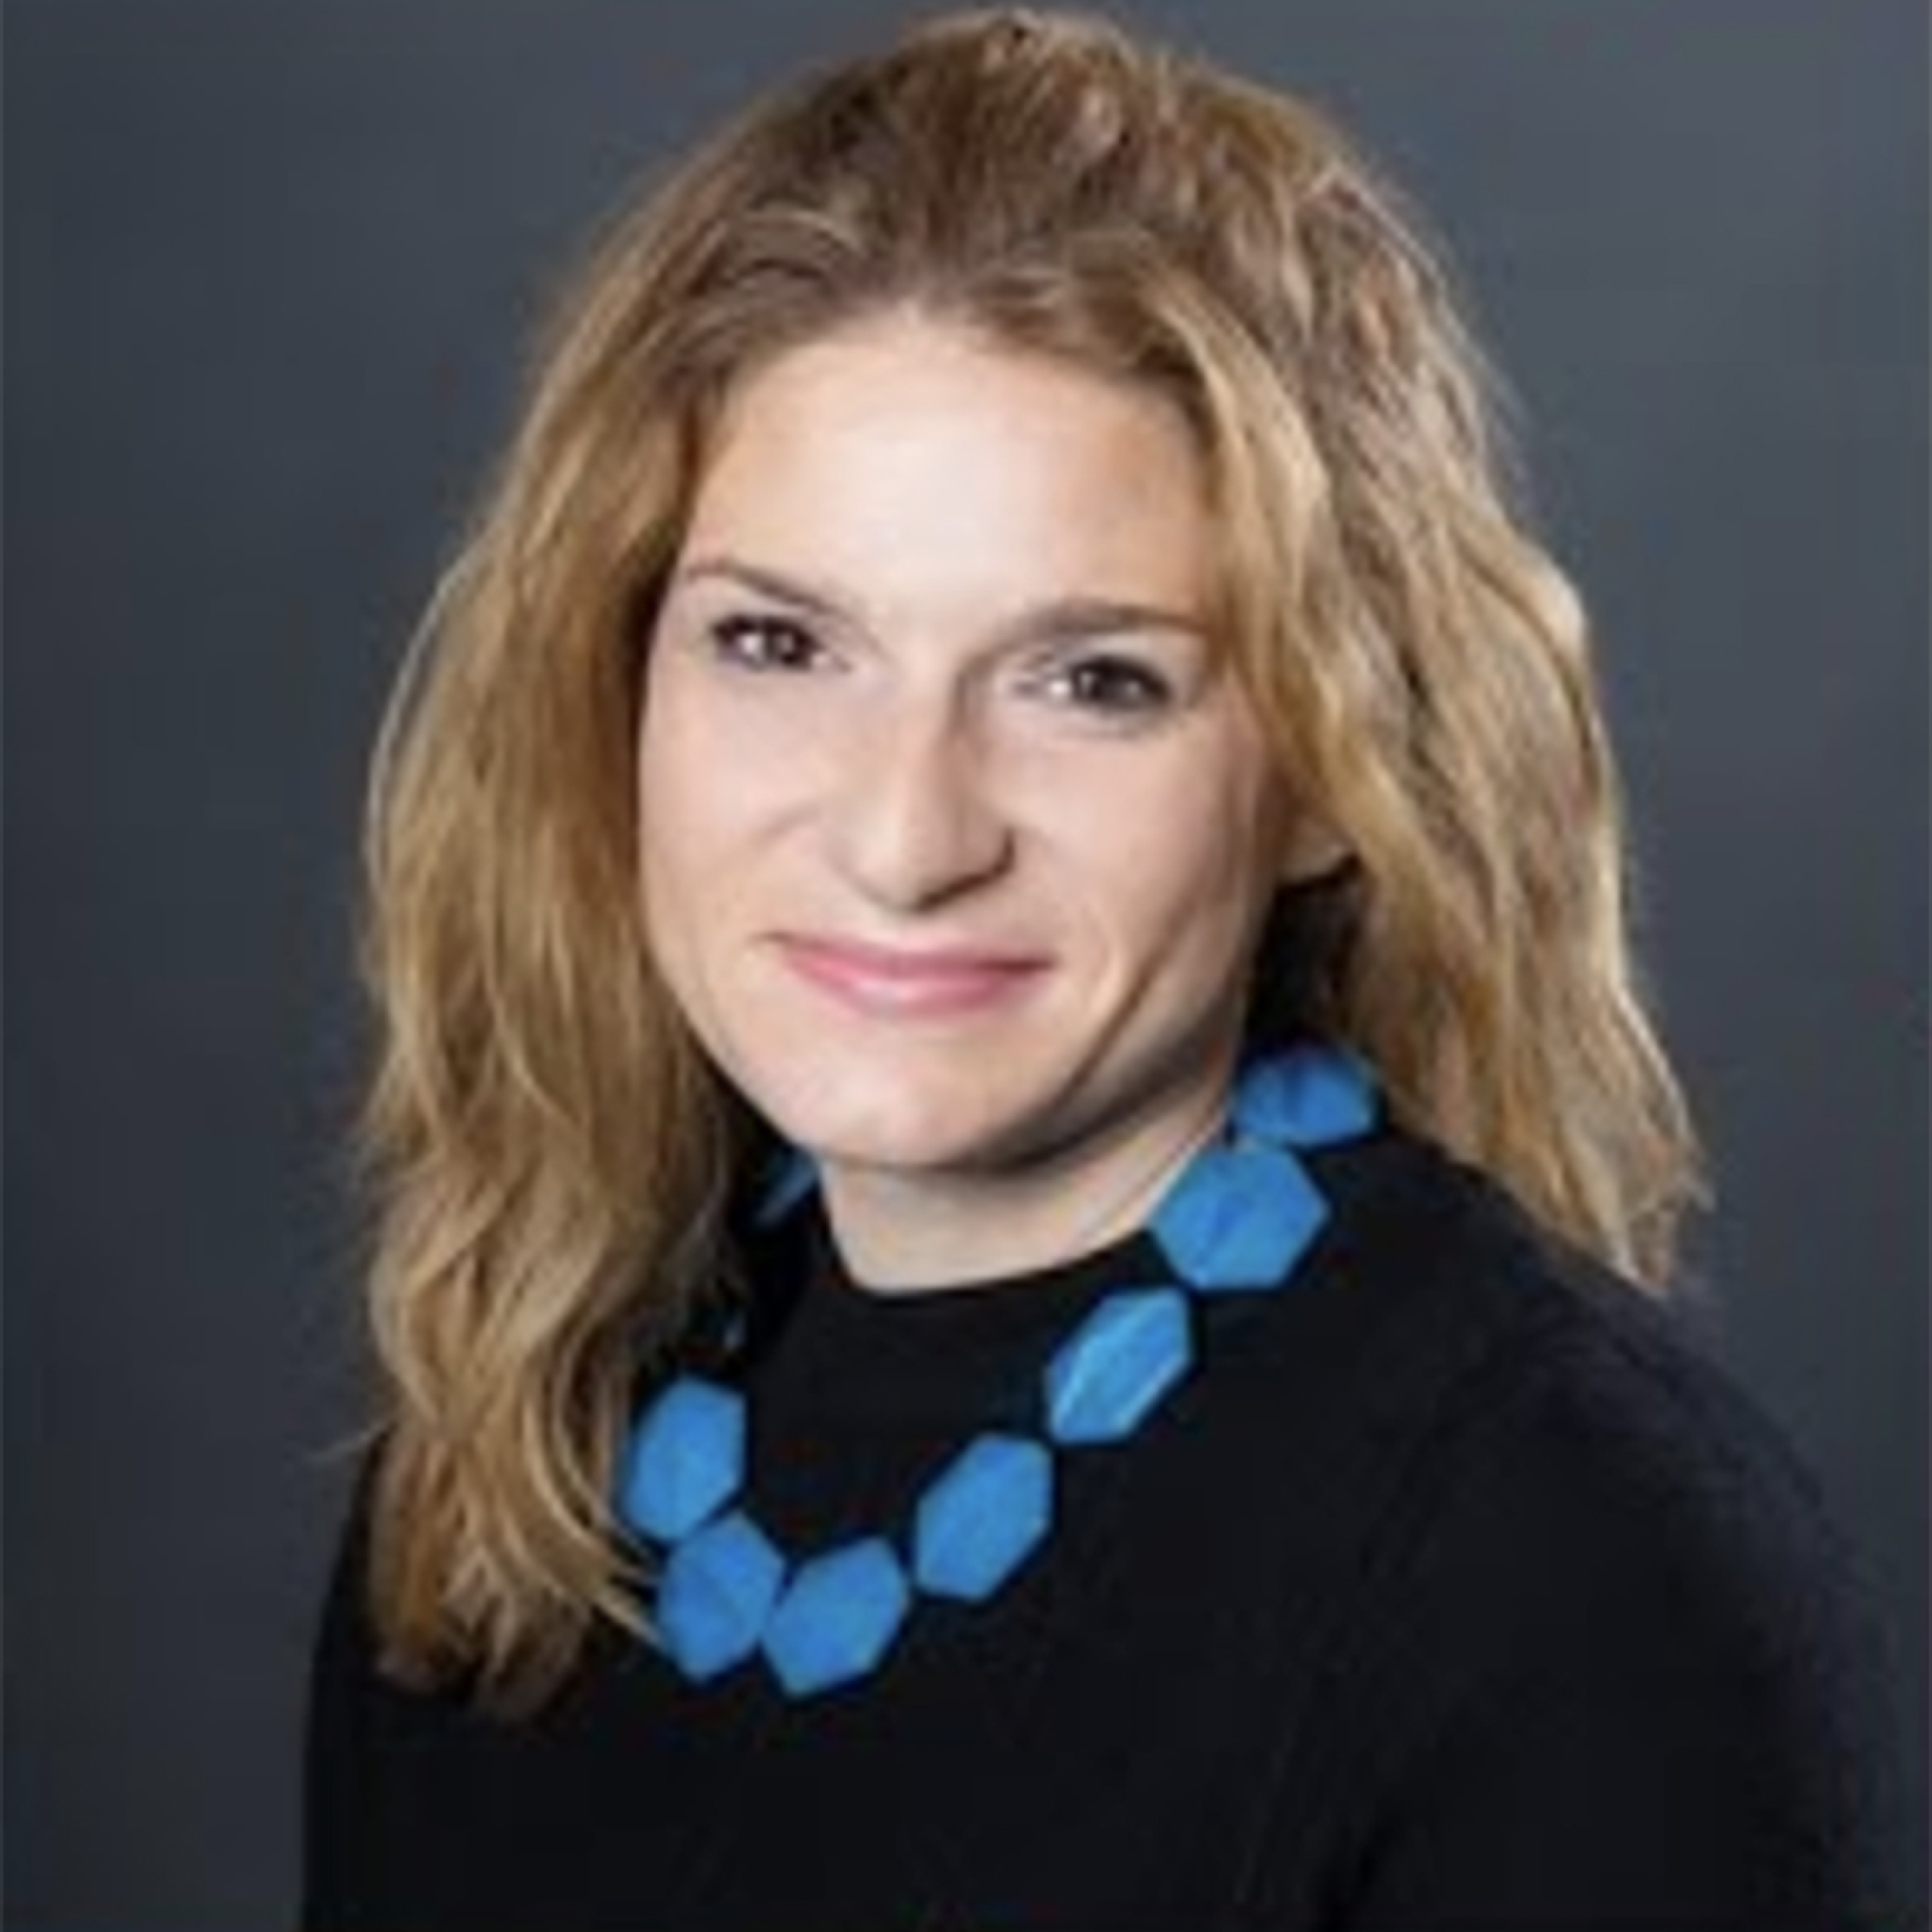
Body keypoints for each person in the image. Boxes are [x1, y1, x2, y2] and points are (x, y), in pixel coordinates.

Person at [301, 9, 1907, 1927]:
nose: (904, 835)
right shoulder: (509, 1459)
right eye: (779, 644)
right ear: (617, 677)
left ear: (1329, 768)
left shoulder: (1577, 1558)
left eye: (1091, 680)